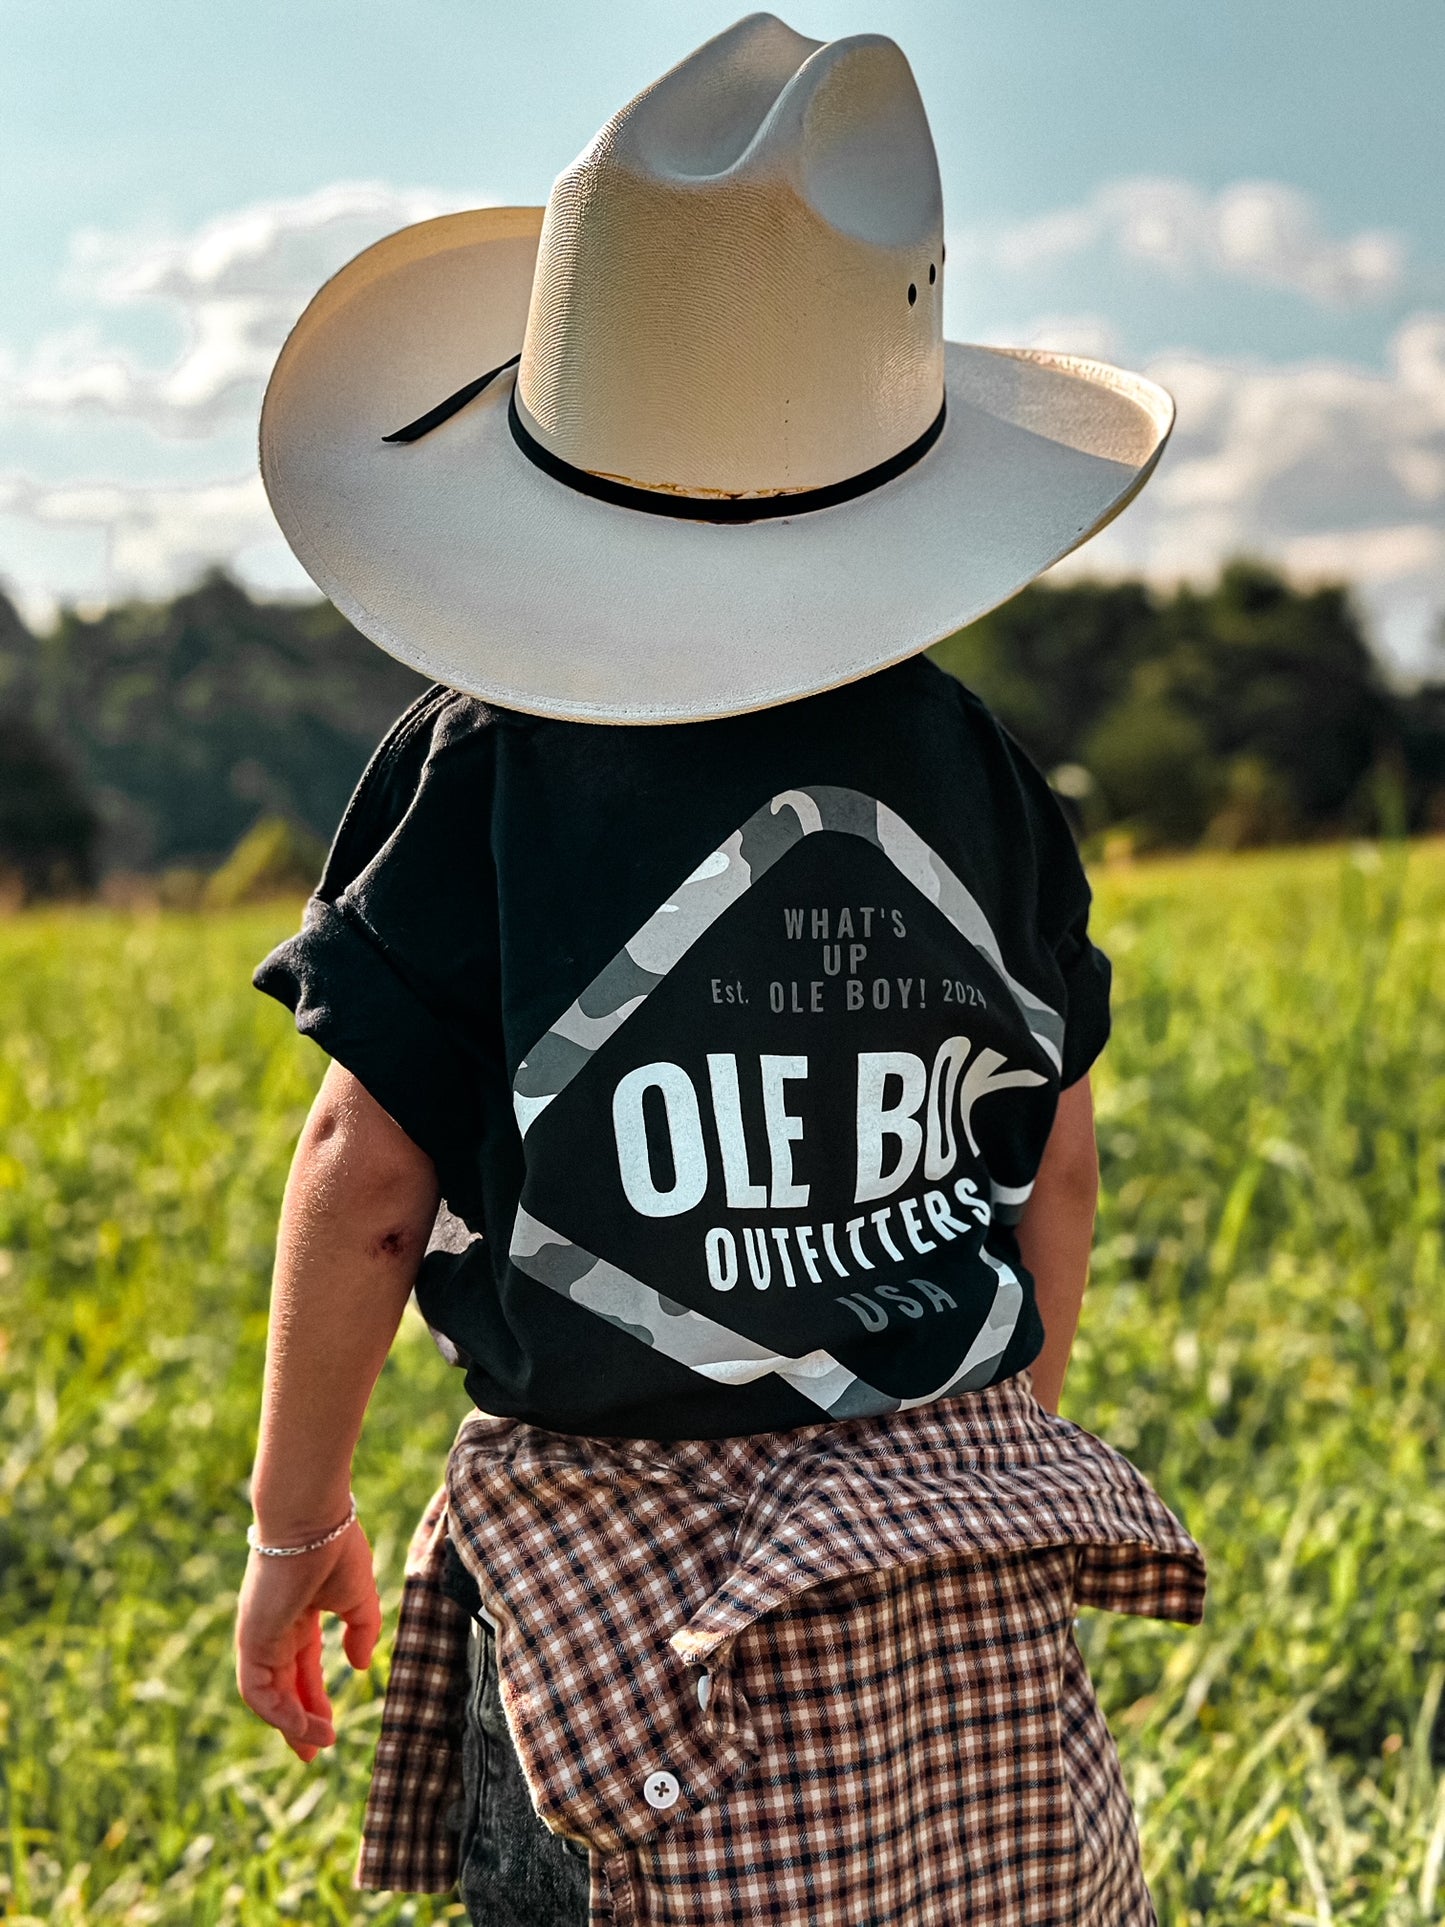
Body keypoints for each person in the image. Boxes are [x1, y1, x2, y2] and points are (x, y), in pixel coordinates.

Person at [235, 15, 1205, 1924]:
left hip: (617, 1590)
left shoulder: (488, 770)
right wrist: (970, 1445)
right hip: (955, 1563)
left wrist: (296, 1524)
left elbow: (365, 1177)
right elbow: (1058, 1151)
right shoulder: (983, 775)